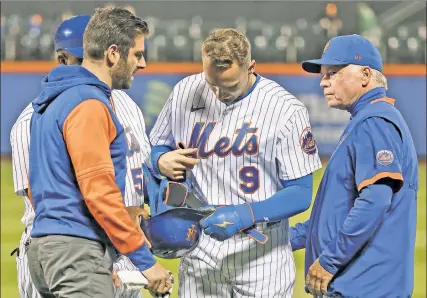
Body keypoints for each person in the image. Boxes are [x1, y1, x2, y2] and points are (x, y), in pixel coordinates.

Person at [149, 28, 322, 297]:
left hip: (262, 255)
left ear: (250, 67)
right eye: (211, 83)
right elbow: (157, 145)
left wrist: (245, 215)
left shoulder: (285, 110)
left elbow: (301, 193)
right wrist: (161, 159)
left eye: (228, 86)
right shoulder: (185, 91)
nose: (218, 93)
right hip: (200, 249)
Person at [9, 14, 162, 298]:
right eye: (137, 54)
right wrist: (98, 258)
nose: (142, 64)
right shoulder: (81, 104)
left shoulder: (111, 103)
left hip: (100, 245)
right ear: (110, 53)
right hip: (80, 248)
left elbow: (135, 170)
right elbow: (68, 195)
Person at [290, 34, 418, 297]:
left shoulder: (375, 121)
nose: (324, 82)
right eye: (323, 74)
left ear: (365, 75)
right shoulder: (368, 119)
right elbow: (330, 219)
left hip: (365, 287)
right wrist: (277, 239)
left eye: (333, 72)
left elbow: (375, 200)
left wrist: (329, 261)